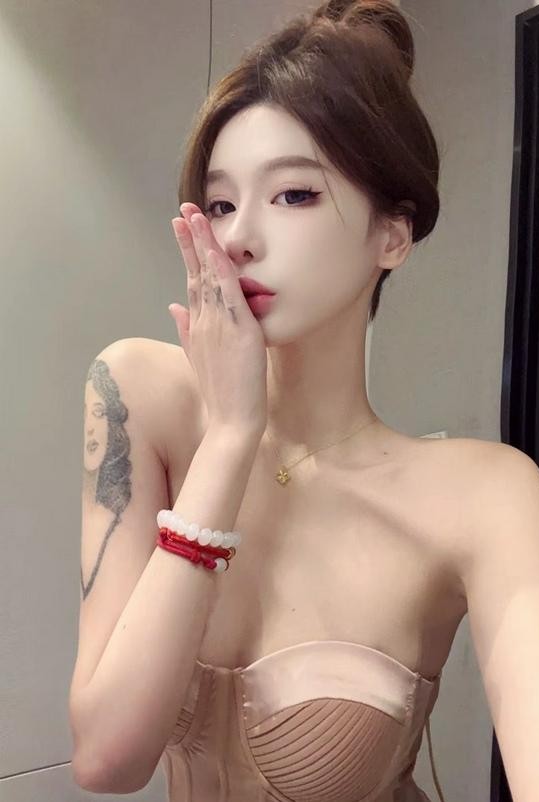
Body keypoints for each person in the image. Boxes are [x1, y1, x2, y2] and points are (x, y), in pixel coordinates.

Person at [70, 1, 461, 799]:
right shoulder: (136, 390)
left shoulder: (473, 492)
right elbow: (107, 760)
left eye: (294, 195)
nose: (239, 236)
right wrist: (230, 437)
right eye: (220, 204)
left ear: (392, 235)